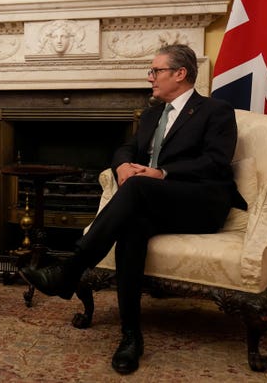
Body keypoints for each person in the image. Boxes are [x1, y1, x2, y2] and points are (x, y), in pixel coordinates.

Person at [20, 44, 246, 375]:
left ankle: (69, 271)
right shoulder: (153, 113)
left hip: (200, 203)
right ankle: (131, 337)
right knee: (131, 224)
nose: (150, 77)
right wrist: (124, 165)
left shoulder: (216, 111)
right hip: (150, 201)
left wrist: (162, 173)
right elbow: (126, 147)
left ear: (180, 74)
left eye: (156, 71)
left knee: (138, 189)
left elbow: (215, 161)